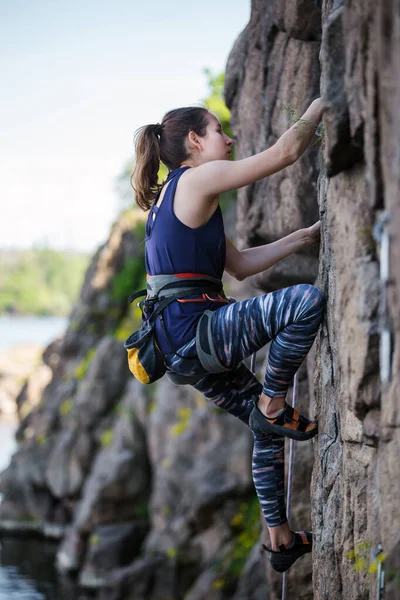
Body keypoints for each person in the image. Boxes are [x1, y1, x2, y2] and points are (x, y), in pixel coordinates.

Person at [131, 98, 325, 572]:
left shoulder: (169, 200)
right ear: (195, 142)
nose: (229, 139)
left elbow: (238, 266)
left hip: (179, 348)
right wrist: (321, 104)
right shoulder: (197, 178)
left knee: (266, 429)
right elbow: (283, 153)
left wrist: (304, 236)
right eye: (220, 131)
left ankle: (280, 539)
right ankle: (275, 401)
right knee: (305, 303)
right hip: (198, 333)